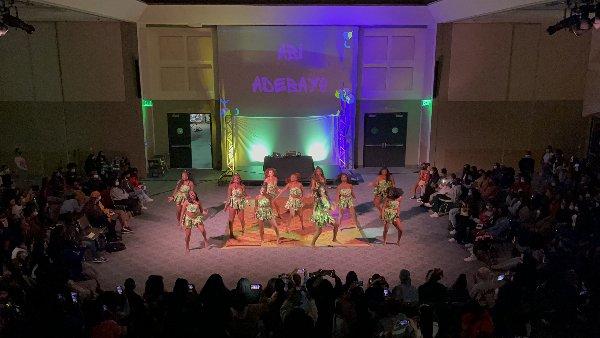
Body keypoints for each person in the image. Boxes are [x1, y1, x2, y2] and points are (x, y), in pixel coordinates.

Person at [310, 182, 338, 246]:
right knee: (319, 231)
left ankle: (334, 239)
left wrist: (333, 206)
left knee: (336, 224)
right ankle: (312, 244)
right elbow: (314, 208)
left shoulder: (327, 198)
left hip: (326, 215)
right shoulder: (318, 199)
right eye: (321, 190)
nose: (323, 191)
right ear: (319, 192)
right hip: (319, 216)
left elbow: (330, 207)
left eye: (323, 189)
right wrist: (314, 216)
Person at [225, 173, 247, 239]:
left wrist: (247, 197)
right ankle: (231, 233)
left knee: (241, 218)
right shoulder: (230, 186)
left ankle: (243, 230)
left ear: (240, 180)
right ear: (233, 180)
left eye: (238, 179)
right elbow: (228, 197)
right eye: (235, 179)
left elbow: (244, 194)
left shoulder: (242, 186)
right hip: (233, 203)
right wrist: (226, 205)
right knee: (231, 219)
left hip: (240, 203)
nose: (237, 180)